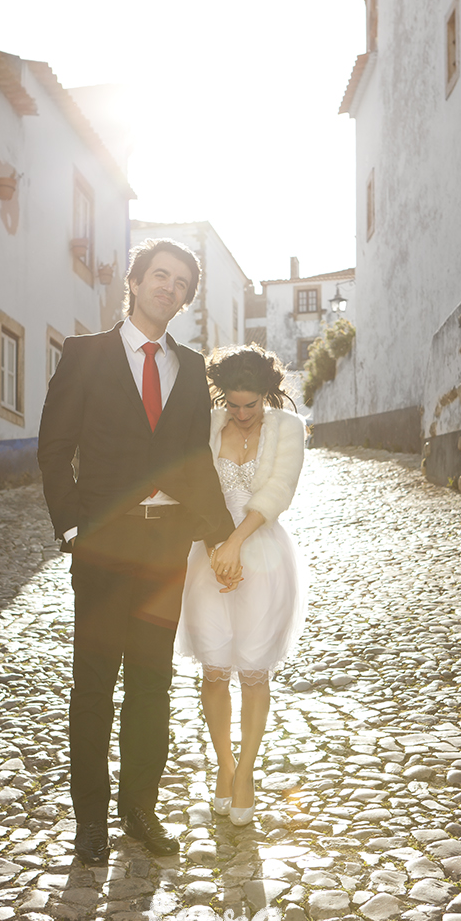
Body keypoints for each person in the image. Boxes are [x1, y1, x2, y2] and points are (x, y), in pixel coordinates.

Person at [38, 238, 234, 867]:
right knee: (94, 683)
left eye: (180, 282)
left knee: (151, 683)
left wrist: (222, 534)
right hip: (103, 545)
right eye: (160, 275)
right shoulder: (85, 355)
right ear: (134, 279)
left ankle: (139, 813)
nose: (168, 287)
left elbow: (195, 461)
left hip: (163, 547)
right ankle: (90, 821)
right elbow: (54, 448)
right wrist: (72, 530)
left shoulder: (190, 365)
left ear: (185, 299)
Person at [176, 345, 307, 826]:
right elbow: (192, 482)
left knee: (253, 671)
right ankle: (224, 765)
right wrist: (217, 546)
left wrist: (234, 544)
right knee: (213, 669)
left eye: (251, 404)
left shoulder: (288, 429)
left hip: (263, 556)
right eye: (234, 404)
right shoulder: (209, 424)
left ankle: (247, 770)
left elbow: (278, 490)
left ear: (267, 396)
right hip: (207, 556)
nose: (242, 414)